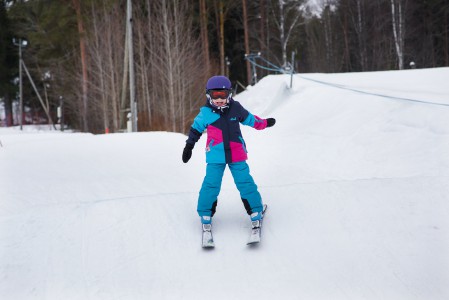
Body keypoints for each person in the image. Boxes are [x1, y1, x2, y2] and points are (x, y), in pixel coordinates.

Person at [182, 75, 276, 228]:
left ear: (229, 94)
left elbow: (251, 120)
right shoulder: (206, 112)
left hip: (236, 154)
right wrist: (189, 146)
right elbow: (195, 130)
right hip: (215, 155)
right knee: (211, 184)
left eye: (223, 95)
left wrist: (264, 123)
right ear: (208, 94)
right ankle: (205, 213)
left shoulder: (235, 108)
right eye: (215, 95)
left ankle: (255, 211)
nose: (219, 99)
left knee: (245, 181)